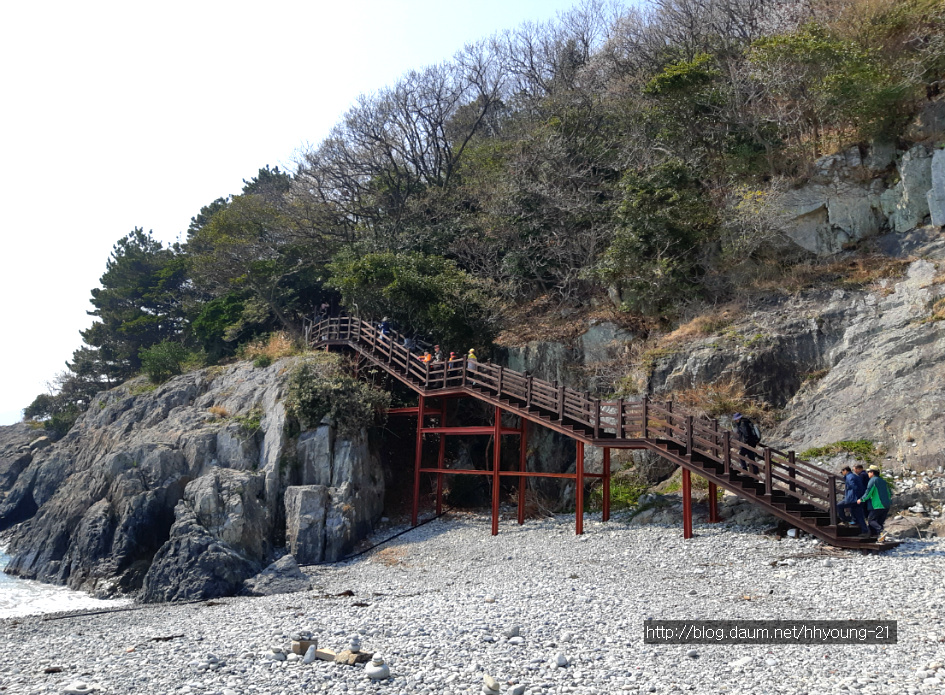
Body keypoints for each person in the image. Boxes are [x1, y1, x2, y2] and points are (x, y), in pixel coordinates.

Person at [857, 464, 891, 540]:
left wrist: (861, 499)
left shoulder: (873, 480)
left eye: (869, 472)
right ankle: (879, 537)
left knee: (871, 520)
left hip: (877, 505)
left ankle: (881, 531)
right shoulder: (883, 481)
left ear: (872, 472)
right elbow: (889, 493)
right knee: (879, 522)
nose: (868, 473)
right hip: (886, 505)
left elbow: (868, 492)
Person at [836, 465, 868, 535]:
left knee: (838, 506)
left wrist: (853, 496)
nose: (842, 474)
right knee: (859, 515)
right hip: (858, 498)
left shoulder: (849, 477)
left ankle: (845, 520)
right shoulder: (856, 476)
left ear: (845, 470)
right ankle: (865, 530)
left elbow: (853, 486)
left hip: (852, 498)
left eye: (842, 472)